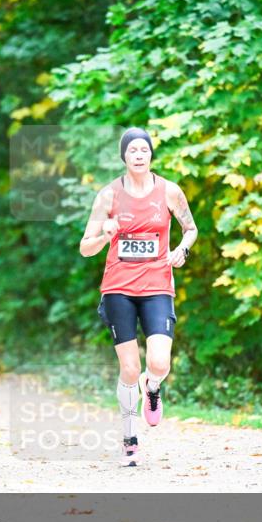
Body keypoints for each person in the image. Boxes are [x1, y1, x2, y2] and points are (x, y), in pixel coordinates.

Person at [79, 128, 198, 467]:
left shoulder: (170, 192)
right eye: (132, 150)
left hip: (158, 286)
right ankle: (130, 439)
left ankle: (154, 385)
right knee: (129, 368)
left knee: (158, 362)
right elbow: (86, 248)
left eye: (144, 149)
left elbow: (191, 228)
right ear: (124, 157)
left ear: (151, 155)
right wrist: (105, 233)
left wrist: (181, 251)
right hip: (118, 288)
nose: (139, 154)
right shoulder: (108, 196)